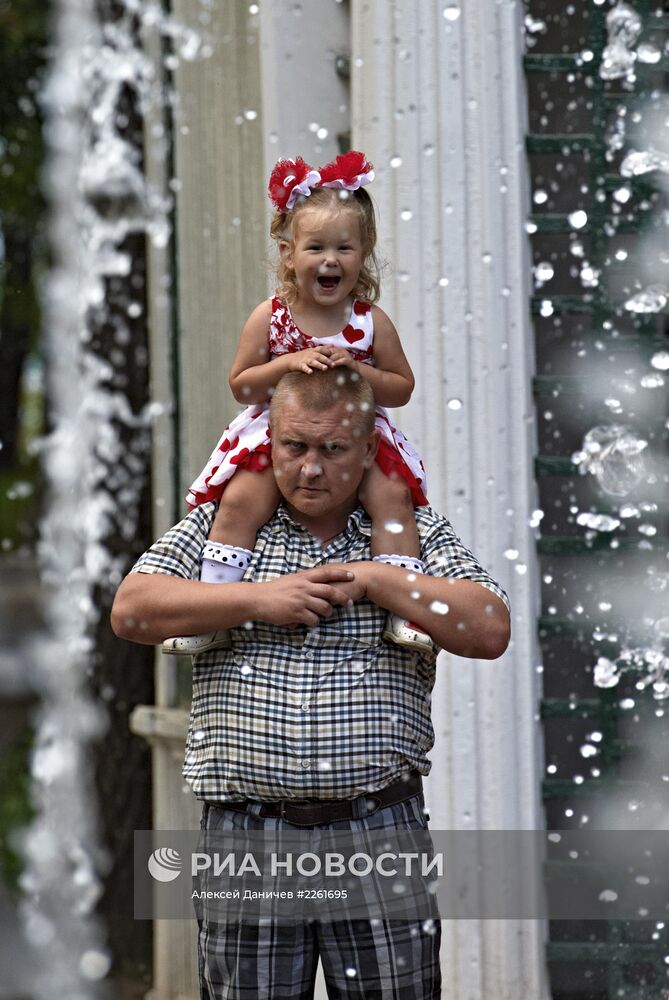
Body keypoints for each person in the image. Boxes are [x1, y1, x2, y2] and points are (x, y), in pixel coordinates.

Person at [111, 368, 510, 1000]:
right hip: (248, 837)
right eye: (294, 447)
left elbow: (489, 628)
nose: (311, 469)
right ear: (269, 441)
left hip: (377, 831)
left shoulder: (409, 535)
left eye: (332, 449)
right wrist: (256, 600)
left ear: (368, 450)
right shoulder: (224, 534)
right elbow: (132, 609)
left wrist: (378, 579)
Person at [164, 150, 431, 657]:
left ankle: (407, 610)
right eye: (315, 248)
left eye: (344, 248)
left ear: (364, 253)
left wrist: (360, 371)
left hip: (354, 438)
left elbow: (402, 387)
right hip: (278, 433)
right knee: (242, 499)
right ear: (288, 254)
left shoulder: (370, 321)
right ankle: (215, 603)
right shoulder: (273, 316)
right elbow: (241, 384)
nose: (330, 260)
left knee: (392, 498)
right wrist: (287, 364)